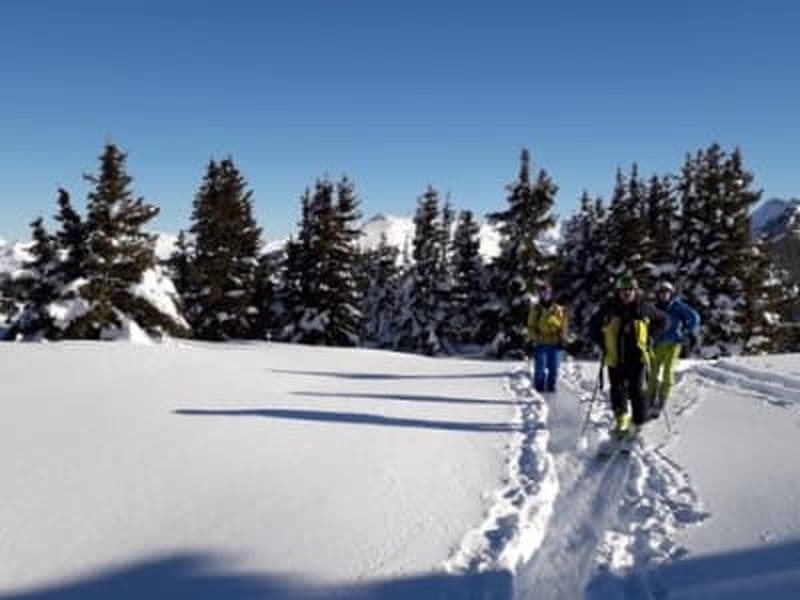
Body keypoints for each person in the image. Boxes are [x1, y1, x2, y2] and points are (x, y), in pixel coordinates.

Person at [589, 275, 668, 440]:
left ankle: (639, 421)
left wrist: (651, 337)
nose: (627, 293)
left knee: (637, 390)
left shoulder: (643, 308)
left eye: (630, 290)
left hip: (637, 357)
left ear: (635, 291)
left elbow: (663, 320)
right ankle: (621, 420)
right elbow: (593, 325)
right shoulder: (609, 308)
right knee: (617, 390)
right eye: (623, 290)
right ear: (618, 292)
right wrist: (601, 342)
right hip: (615, 356)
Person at [647, 280, 701, 419]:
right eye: (661, 293)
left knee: (667, 371)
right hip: (657, 344)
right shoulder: (655, 308)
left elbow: (694, 317)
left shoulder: (677, 306)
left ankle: (662, 399)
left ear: (671, 293)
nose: (664, 295)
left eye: (667, 292)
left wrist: (687, 332)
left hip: (673, 343)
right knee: (652, 372)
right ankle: (650, 399)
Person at [526, 281, 569, 393]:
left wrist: (563, 339)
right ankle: (539, 387)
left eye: (547, 293)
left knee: (554, 368)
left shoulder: (558, 309)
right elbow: (530, 326)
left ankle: (551, 386)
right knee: (540, 368)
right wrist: (534, 337)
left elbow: (564, 325)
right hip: (541, 342)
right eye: (543, 293)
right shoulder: (536, 309)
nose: (545, 296)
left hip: (555, 343)